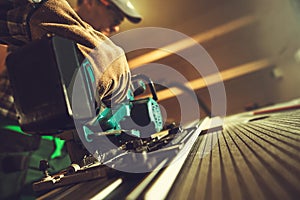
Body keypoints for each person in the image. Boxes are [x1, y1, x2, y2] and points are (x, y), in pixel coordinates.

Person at [0, 0, 142, 199]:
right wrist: (47, 17)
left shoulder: (89, 49)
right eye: (115, 17)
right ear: (91, 2)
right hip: (16, 139)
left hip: (59, 147)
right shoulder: (38, 35)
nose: (116, 27)